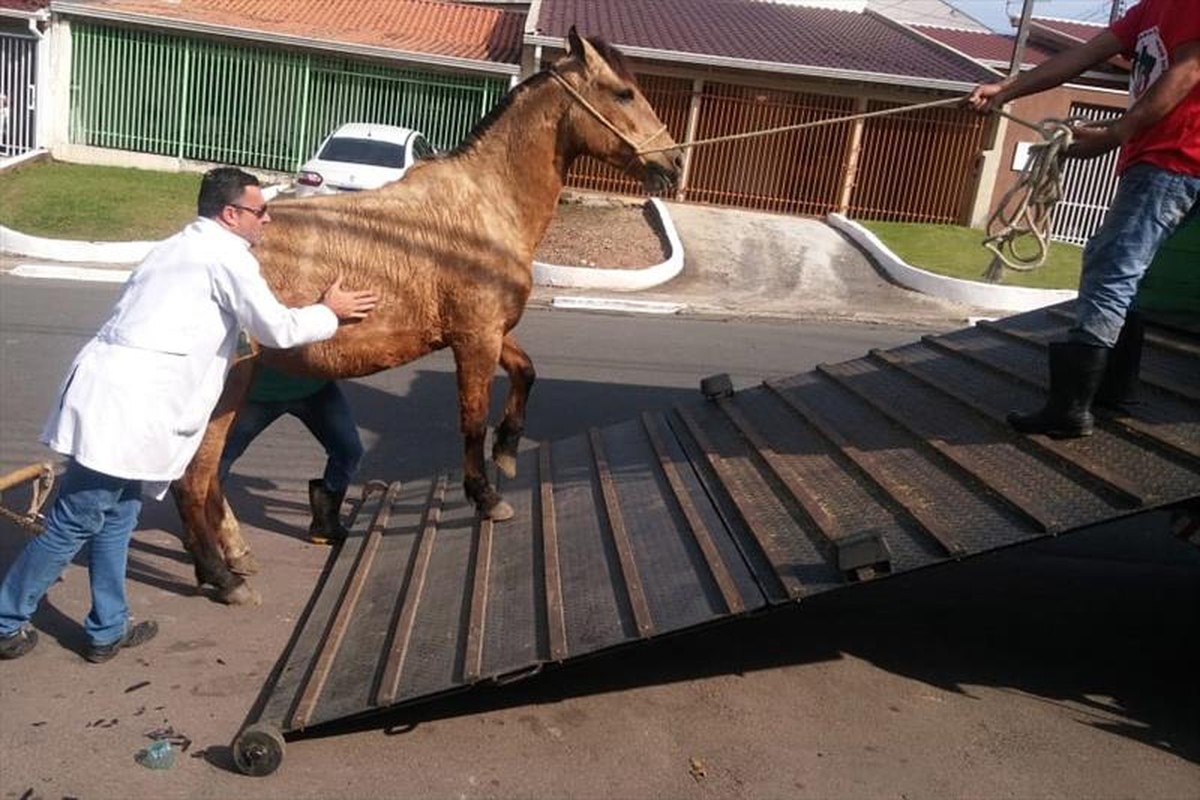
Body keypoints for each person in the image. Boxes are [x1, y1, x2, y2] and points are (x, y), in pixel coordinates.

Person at [0, 167, 379, 662]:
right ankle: (7, 619)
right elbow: (279, 329)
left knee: (120, 516)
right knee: (77, 518)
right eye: (260, 211)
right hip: (127, 406)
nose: (267, 220)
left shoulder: (177, 247)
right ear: (231, 214)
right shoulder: (224, 258)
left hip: (128, 400)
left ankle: (107, 628)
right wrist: (331, 310)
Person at [967, 0, 1200, 438]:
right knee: (1115, 264)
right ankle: (1113, 390)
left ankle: (1070, 409)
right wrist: (1008, 89)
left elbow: (1189, 70)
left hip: (1175, 160)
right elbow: (1084, 55)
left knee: (1113, 270)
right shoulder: (1153, 7)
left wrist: (1117, 133)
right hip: (1169, 161)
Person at [219, 365, 364, 544]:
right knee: (217, 459)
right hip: (258, 394)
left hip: (314, 388)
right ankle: (199, 523)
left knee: (348, 450)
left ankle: (326, 524)